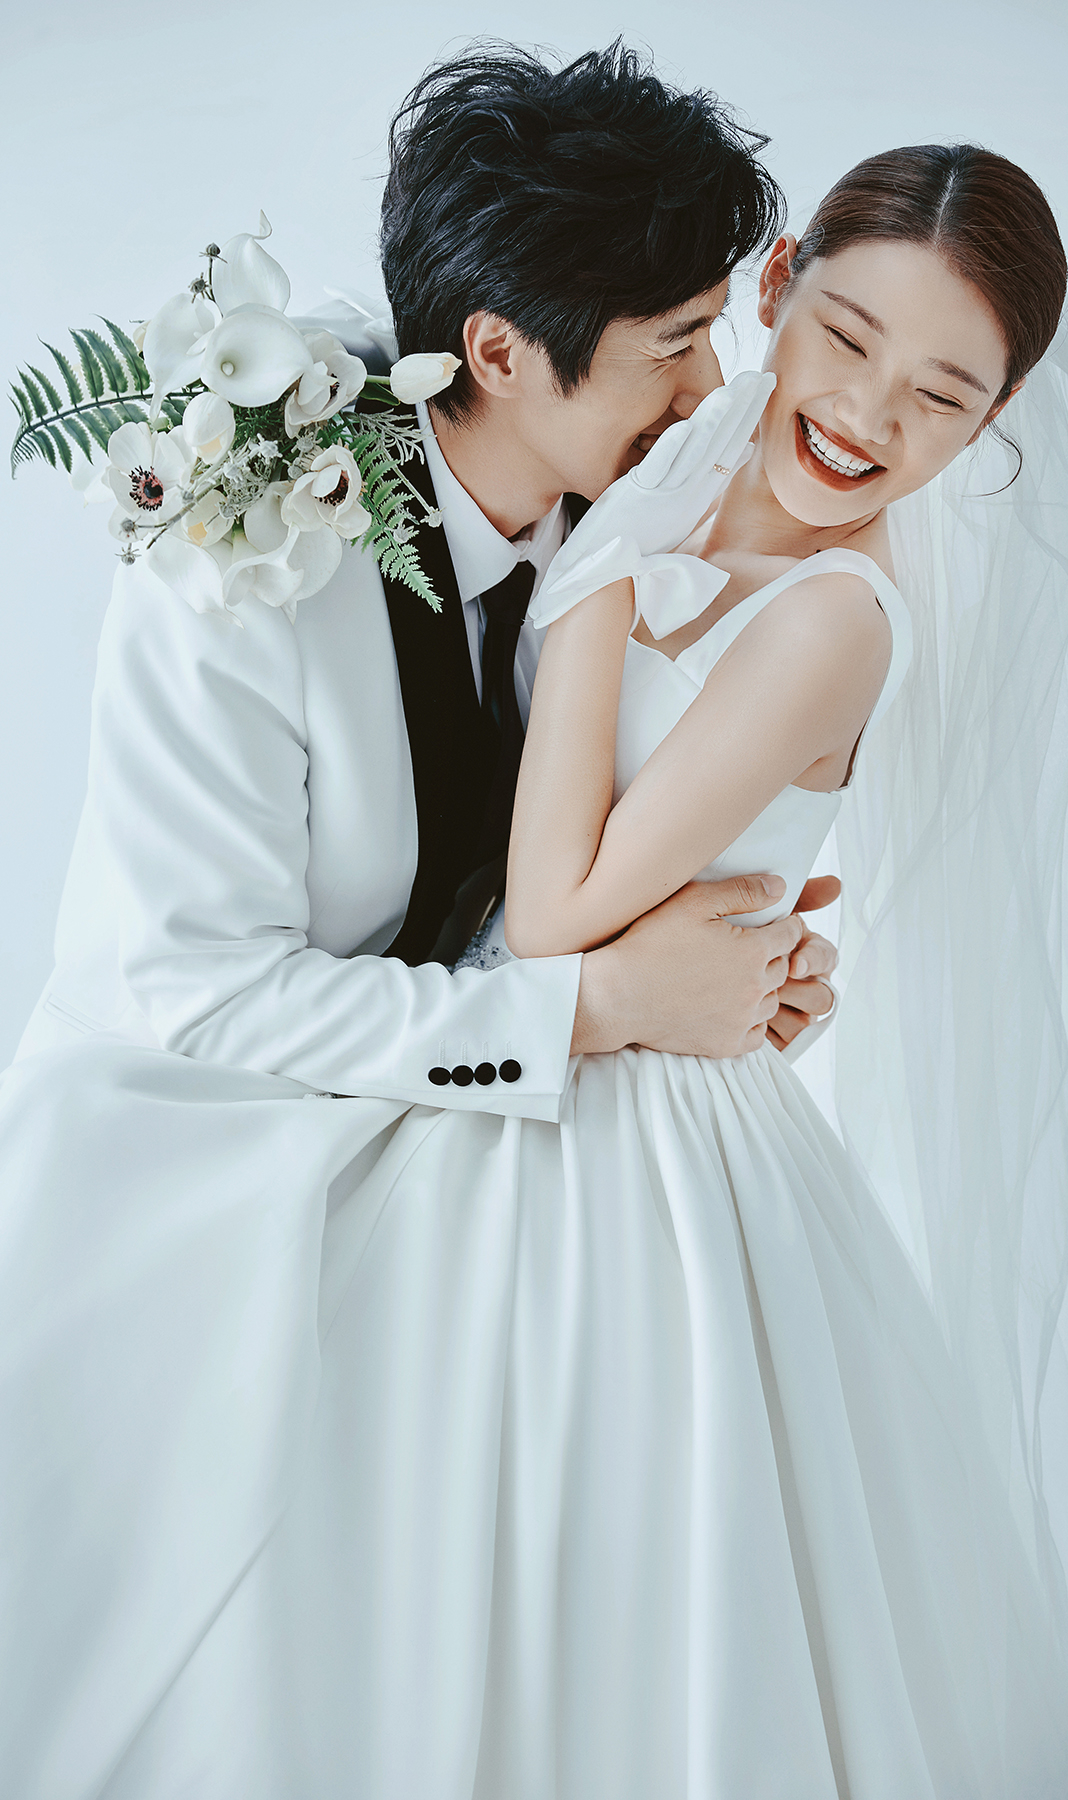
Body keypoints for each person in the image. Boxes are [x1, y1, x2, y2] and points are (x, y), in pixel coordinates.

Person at [70, 144, 1068, 1797]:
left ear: (997, 418)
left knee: (638, 1572)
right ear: (780, 291)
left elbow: (553, 912)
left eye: (943, 397)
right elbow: (525, 923)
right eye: (844, 339)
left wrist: (599, 590)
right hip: (487, 1065)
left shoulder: (811, 599)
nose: (867, 414)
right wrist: (624, 557)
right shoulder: (617, 462)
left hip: (641, 1140)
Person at [0, 45, 843, 1800]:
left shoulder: (638, 493)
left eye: (714, 331)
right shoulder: (238, 545)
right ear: (500, 352)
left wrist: (741, 954)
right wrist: (601, 1007)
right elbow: (205, 994)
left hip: (461, 1110)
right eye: (676, 342)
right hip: (206, 1145)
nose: (715, 385)